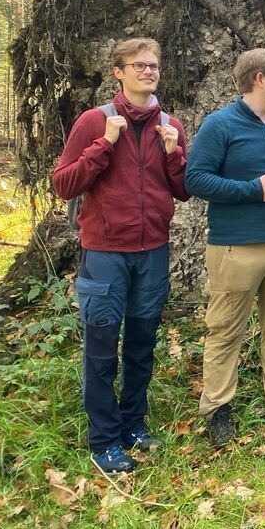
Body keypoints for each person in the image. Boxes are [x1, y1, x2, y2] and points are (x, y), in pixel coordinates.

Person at [52, 38, 189, 474]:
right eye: (139, 65)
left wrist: (174, 153)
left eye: (153, 66)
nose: (148, 72)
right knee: (101, 349)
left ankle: (133, 425)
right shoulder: (95, 121)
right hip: (105, 253)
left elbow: (183, 190)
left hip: (153, 253)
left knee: (141, 344)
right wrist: (104, 145)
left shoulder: (170, 125)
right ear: (119, 72)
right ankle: (104, 441)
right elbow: (64, 184)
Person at [185, 48, 265, 448]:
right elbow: (195, 180)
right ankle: (218, 410)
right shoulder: (220, 125)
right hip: (236, 248)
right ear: (259, 78)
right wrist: (251, 191)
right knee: (226, 331)